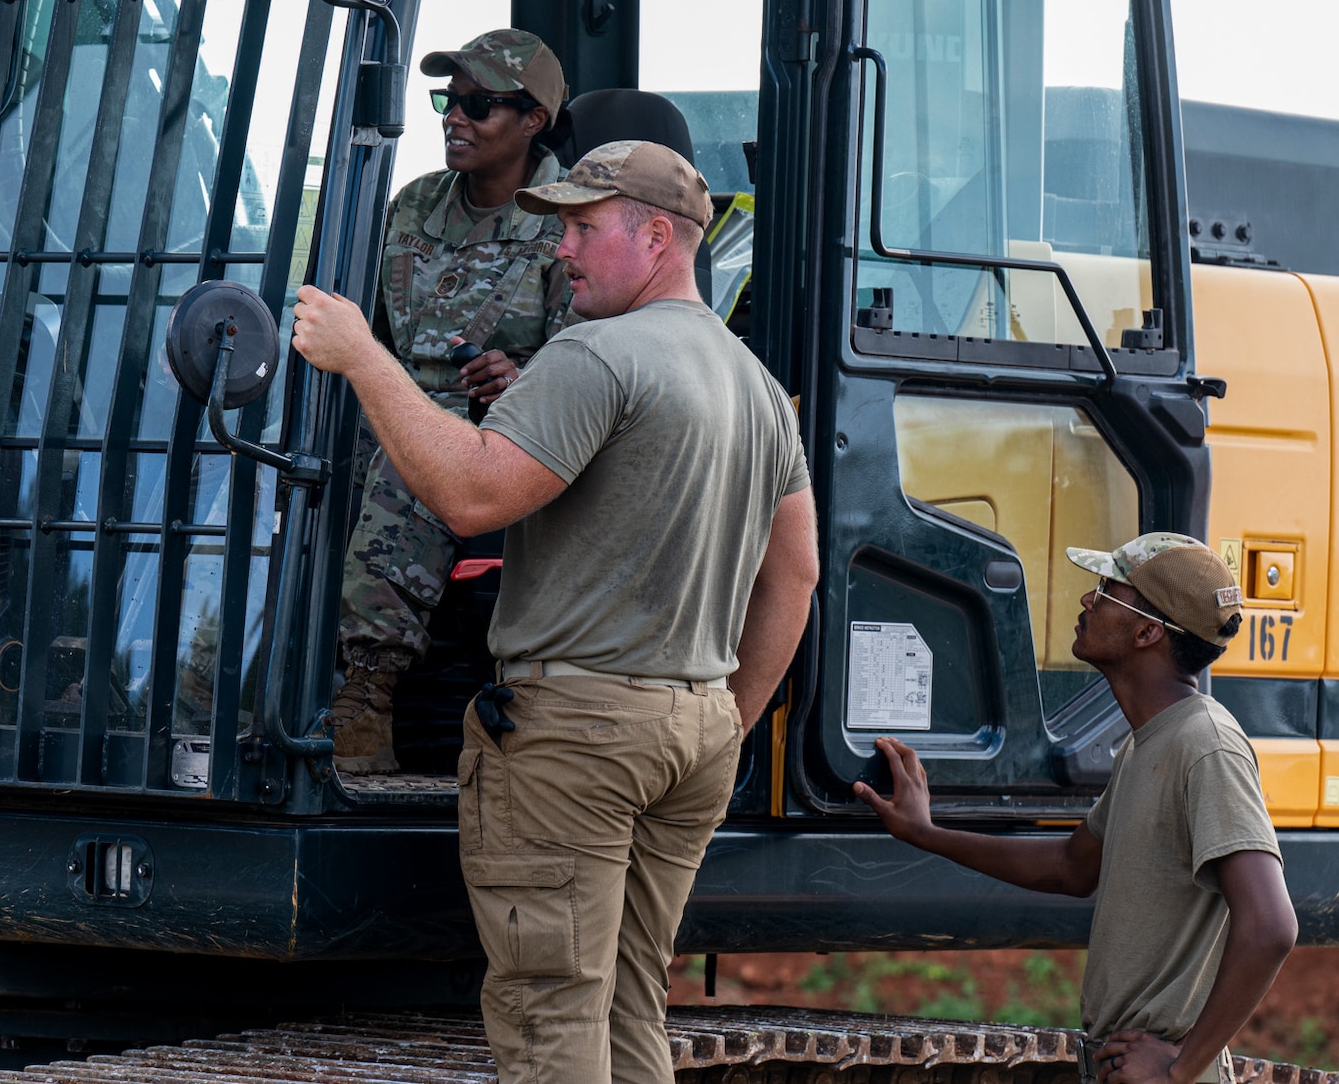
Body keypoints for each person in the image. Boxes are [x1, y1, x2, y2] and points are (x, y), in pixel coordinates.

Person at [292, 139, 820, 1084]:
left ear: (657, 237)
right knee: (627, 1010)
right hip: (691, 732)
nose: (559, 250)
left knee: (548, 1017)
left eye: (581, 227)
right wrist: (719, 721)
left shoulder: (596, 354)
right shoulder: (757, 386)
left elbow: (468, 495)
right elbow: (797, 575)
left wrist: (365, 359)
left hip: (577, 733)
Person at [855, 533, 1296, 1084]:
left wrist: (1182, 1069)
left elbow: (1271, 926)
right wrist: (926, 832)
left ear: (1147, 631)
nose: (1089, 601)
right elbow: (1070, 866)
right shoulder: (1147, 743)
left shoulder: (1206, 745)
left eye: (1108, 591)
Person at [331, 28, 575, 775]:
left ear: (533, 120)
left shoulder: (570, 224)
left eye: (478, 104)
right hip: (401, 414)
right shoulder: (412, 209)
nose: (453, 117)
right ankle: (213, 676)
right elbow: (366, 338)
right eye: (448, 100)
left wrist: (524, 373)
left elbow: (595, 369)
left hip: (516, 435)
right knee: (289, 462)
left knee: (415, 465)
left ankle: (364, 694)